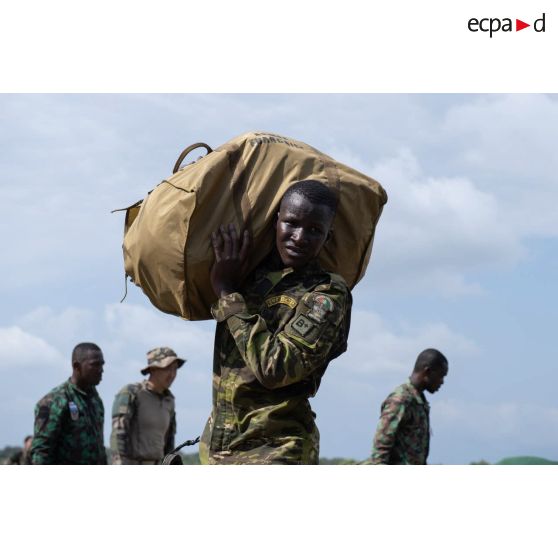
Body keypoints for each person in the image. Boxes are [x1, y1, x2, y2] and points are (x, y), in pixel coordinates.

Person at [199, 179, 352, 465]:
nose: (299, 237)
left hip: (276, 450)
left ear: (327, 238)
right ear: (275, 221)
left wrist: (226, 293)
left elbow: (276, 367)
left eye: (315, 230)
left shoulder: (326, 293)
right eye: (291, 223)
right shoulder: (249, 275)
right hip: (218, 448)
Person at [31, 342, 107, 465]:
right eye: (95, 365)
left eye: (102, 364)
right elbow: (42, 452)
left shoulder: (95, 399)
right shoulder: (55, 401)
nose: (101, 370)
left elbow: (99, 445)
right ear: (77, 366)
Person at [370, 348, 448, 465]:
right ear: (427, 372)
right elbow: (380, 453)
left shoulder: (419, 401)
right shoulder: (401, 400)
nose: (442, 382)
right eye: (441, 376)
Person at [110, 347, 185, 464]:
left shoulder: (169, 400)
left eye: (175, 369)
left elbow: (169, 443)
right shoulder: (132, 393)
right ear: (153, 369)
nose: (172, 374)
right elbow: (118, 436)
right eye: (167, 368)